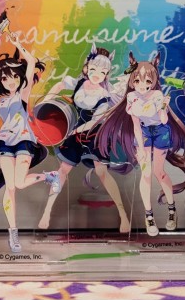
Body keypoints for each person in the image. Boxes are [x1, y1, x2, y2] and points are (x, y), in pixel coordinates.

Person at [0, 33, 59, 253]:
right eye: (6, 78)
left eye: (14, 77)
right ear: (0, 81)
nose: (11, 81)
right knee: (10, 188)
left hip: (24, 140)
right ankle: (13, 233)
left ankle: (49, 176)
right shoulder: (3, 101)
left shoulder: (23, 94)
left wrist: (18, 44)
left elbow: (31, 62)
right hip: (5, 143)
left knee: (19, 183)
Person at [96, 51, 185, 235]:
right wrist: (140, 148)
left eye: (147, 81)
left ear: (153, 81)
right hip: (143, 132)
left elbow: (163, 120)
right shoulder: (132, 97)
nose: (142, 85)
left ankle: (172, 209)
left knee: (159, 172)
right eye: (138, 81)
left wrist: (163, 105)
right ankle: (149, 217)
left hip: (161, 131)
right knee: (146, 173)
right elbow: (135, 124)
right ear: (133, 81)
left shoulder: (157, 94)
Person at [36, 43, 130, 233]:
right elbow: (60, 84)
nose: (97, 74)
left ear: (107, 74)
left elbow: (95, 122)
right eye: (94, 69)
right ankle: (46, 213)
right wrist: (47, 99)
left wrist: (76, 131)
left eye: (102, 72)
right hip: (75, 132)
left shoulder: (104, 95)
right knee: (62, 171)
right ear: (87, 67)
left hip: (93, 135)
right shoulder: (79, 83)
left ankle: (123, 215)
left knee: (102, 172)